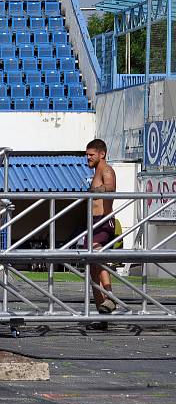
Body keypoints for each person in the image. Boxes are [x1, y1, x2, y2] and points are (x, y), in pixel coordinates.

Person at [85, 138, 117, 330]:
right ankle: (102, 315)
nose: (87, 158)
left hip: (103, 221)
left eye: (91, 155)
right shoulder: (96, 171)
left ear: (101, 154)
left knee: (97, 255)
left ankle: (111, 298)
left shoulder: (106, 170)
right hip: (92, 223)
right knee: (91, 269)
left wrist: (94, 191)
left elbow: (111, 187)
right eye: (87, 155)